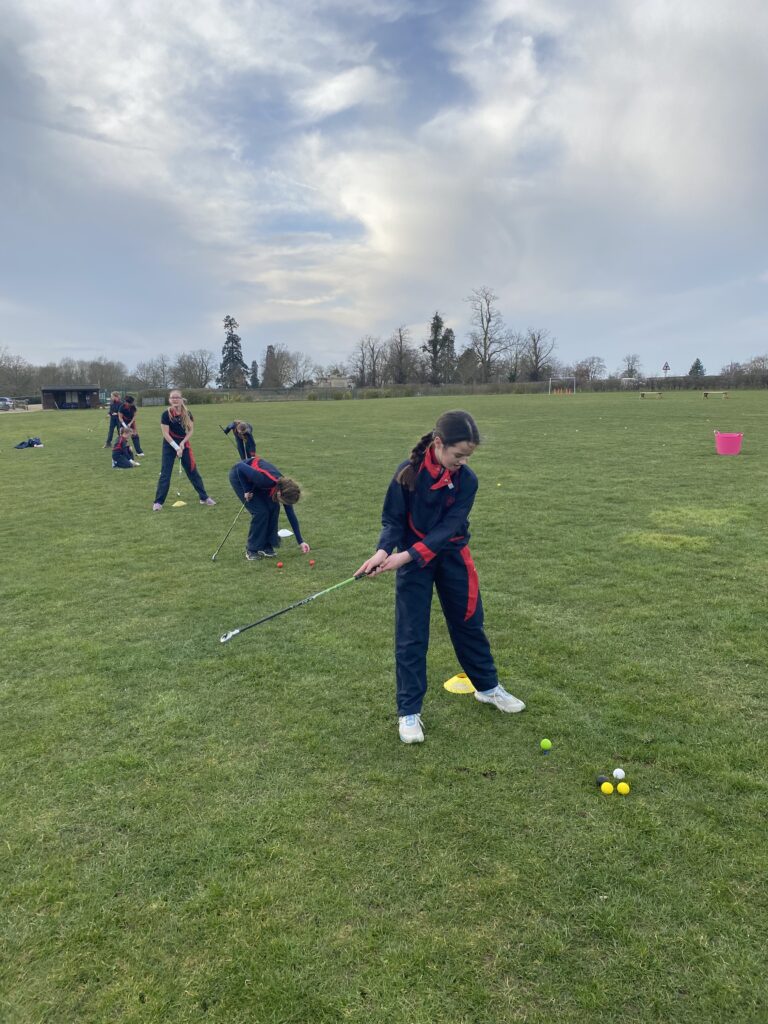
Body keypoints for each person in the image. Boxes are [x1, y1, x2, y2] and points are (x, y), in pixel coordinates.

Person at [356, 410, 525, 744]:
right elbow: (392, 520)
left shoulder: (468, 481)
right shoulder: (406, 474)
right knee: (411, 634)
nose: (462, 462)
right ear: (438, 444)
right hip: (413, 562)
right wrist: (381, 552)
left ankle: (488, 688)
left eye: (467, 456)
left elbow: (448, 529)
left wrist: (403, 556)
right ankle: (409, 711)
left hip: (451, 555)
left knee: (468, 622)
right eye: (458, 455)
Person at [229, 455, 310, 560]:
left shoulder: (286, 489)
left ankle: (267, 546)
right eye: (284, 502)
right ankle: (252, 549)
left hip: (256, 482)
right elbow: (239, 466)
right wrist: (247, 489)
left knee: (274, 508)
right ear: (280, 494)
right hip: (239, 476)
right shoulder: (265, 480)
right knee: (260, 512)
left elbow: (291, 515)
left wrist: (301, 541)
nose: (284, 504)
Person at [152, 390, 216, 511]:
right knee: (165, 474)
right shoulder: (166, 414)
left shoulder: (187, 413)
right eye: (172, 398)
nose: (175, 399)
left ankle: (204, 497)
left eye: (177, 397)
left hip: (183, 444)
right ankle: (158, 502)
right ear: (169, 400)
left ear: (181, 399)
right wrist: (176, 447)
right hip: (169, 445)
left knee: (193, 471)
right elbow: (165, 434)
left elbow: (191, 430)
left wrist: (182, 443)